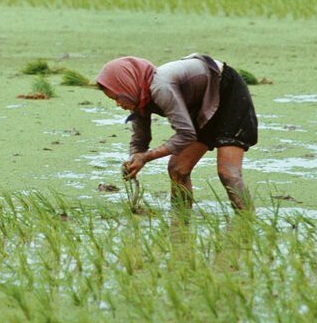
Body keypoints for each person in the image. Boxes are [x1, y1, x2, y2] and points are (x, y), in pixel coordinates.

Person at [95, 53, 257, 212]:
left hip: (227, 92)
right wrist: (135, 157)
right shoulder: (139, 97)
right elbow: (141, 138)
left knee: (227, 172)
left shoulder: (160, 87)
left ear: (127, 85)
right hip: (199, 107)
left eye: (117, 97)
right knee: (178, 169)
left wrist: (147, 157)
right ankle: (180, 224)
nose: (118, 104)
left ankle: (247, 222)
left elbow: (186, 135)